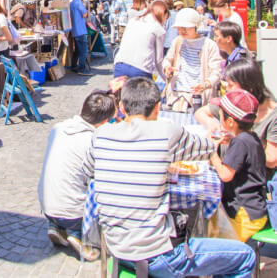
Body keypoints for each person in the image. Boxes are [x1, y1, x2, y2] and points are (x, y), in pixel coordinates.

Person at [83, 77, 256, 277]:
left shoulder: (101, 135)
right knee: (245, 257)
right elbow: (205, 148)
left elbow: (89, 171)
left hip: (115, 247)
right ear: (157, 108)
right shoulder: (166, 132)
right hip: (159, 256)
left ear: (121, 106)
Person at [38, 91, 116, 261]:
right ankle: (80, 234)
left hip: (47, 207)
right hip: (73, 215)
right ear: (104, 121)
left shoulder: (58, 128)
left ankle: (55, 226)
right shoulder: (93, 140)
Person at [194, 59, 277, 171]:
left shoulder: (272, 116)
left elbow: (272, 160)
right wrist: (211, 123)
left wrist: (239, 142)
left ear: (248, 87)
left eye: (231, 85)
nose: (227, 89)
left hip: (249, 181)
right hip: (223, 168)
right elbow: (200, 112)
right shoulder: (236, 102)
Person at [208, 89, 267, 242]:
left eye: (220, 114)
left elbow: (226, 175)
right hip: (255, 210)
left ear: (230, 122)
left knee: (214, 237)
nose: (218, 117)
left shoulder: (240, 142)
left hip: (244, 214)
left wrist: (211, 151)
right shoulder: (250, 137)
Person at [162, 8, 222, 111]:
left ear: (195, 26)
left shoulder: (209, 45)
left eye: (186, 28)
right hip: (177, 95)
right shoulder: (177, 41)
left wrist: (206, 84)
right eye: (179, 28)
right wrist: (167, 67)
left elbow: (216, 71)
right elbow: (168, 59)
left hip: (200, 97)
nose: (182, 31)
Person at [113, 0, 168, 79]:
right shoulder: (158, 28)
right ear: (163, 14)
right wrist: (164, 77)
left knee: (122, 91)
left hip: (120, 65)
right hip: (141, 68)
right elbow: (158, 60)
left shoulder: (133, 21)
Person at [69, 0, 91, 76]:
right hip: (81, 29)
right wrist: (87, 11)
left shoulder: (72, 3)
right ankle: (81, 69)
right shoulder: (79, 2)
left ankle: (74, 66)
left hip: (75, 29)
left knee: (77, 50)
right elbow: (85, 14)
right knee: (83, 51)